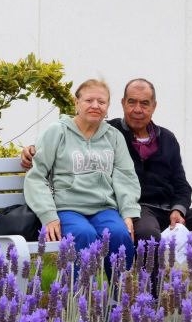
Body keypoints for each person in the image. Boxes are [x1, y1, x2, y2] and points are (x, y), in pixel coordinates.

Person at [23, 77, 192, 284]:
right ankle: (147, 298)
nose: (138, 109)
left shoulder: (165, 138)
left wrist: (179, 208)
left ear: (154, 106)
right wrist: (33, 150)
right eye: (132, 102)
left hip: (165, 210)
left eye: (144, 103)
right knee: (141, 234)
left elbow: (180, 183)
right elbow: (57, 148)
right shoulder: (112, 130)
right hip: (140, 210)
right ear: (122, 104)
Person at [23, 78, 139, 275]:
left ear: (108, 107)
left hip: (104, 209)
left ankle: (120, 294)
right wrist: (48, 215)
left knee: (120, 234)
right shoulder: (57, 131)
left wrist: (128, 212)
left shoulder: (114, 136)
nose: (95, 105)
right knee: (84, 235)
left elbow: (125, 177)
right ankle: (81, 294)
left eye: (101, 102)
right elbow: (36, 176)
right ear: (76, 103)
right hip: (67, 209)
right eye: (89, 100)